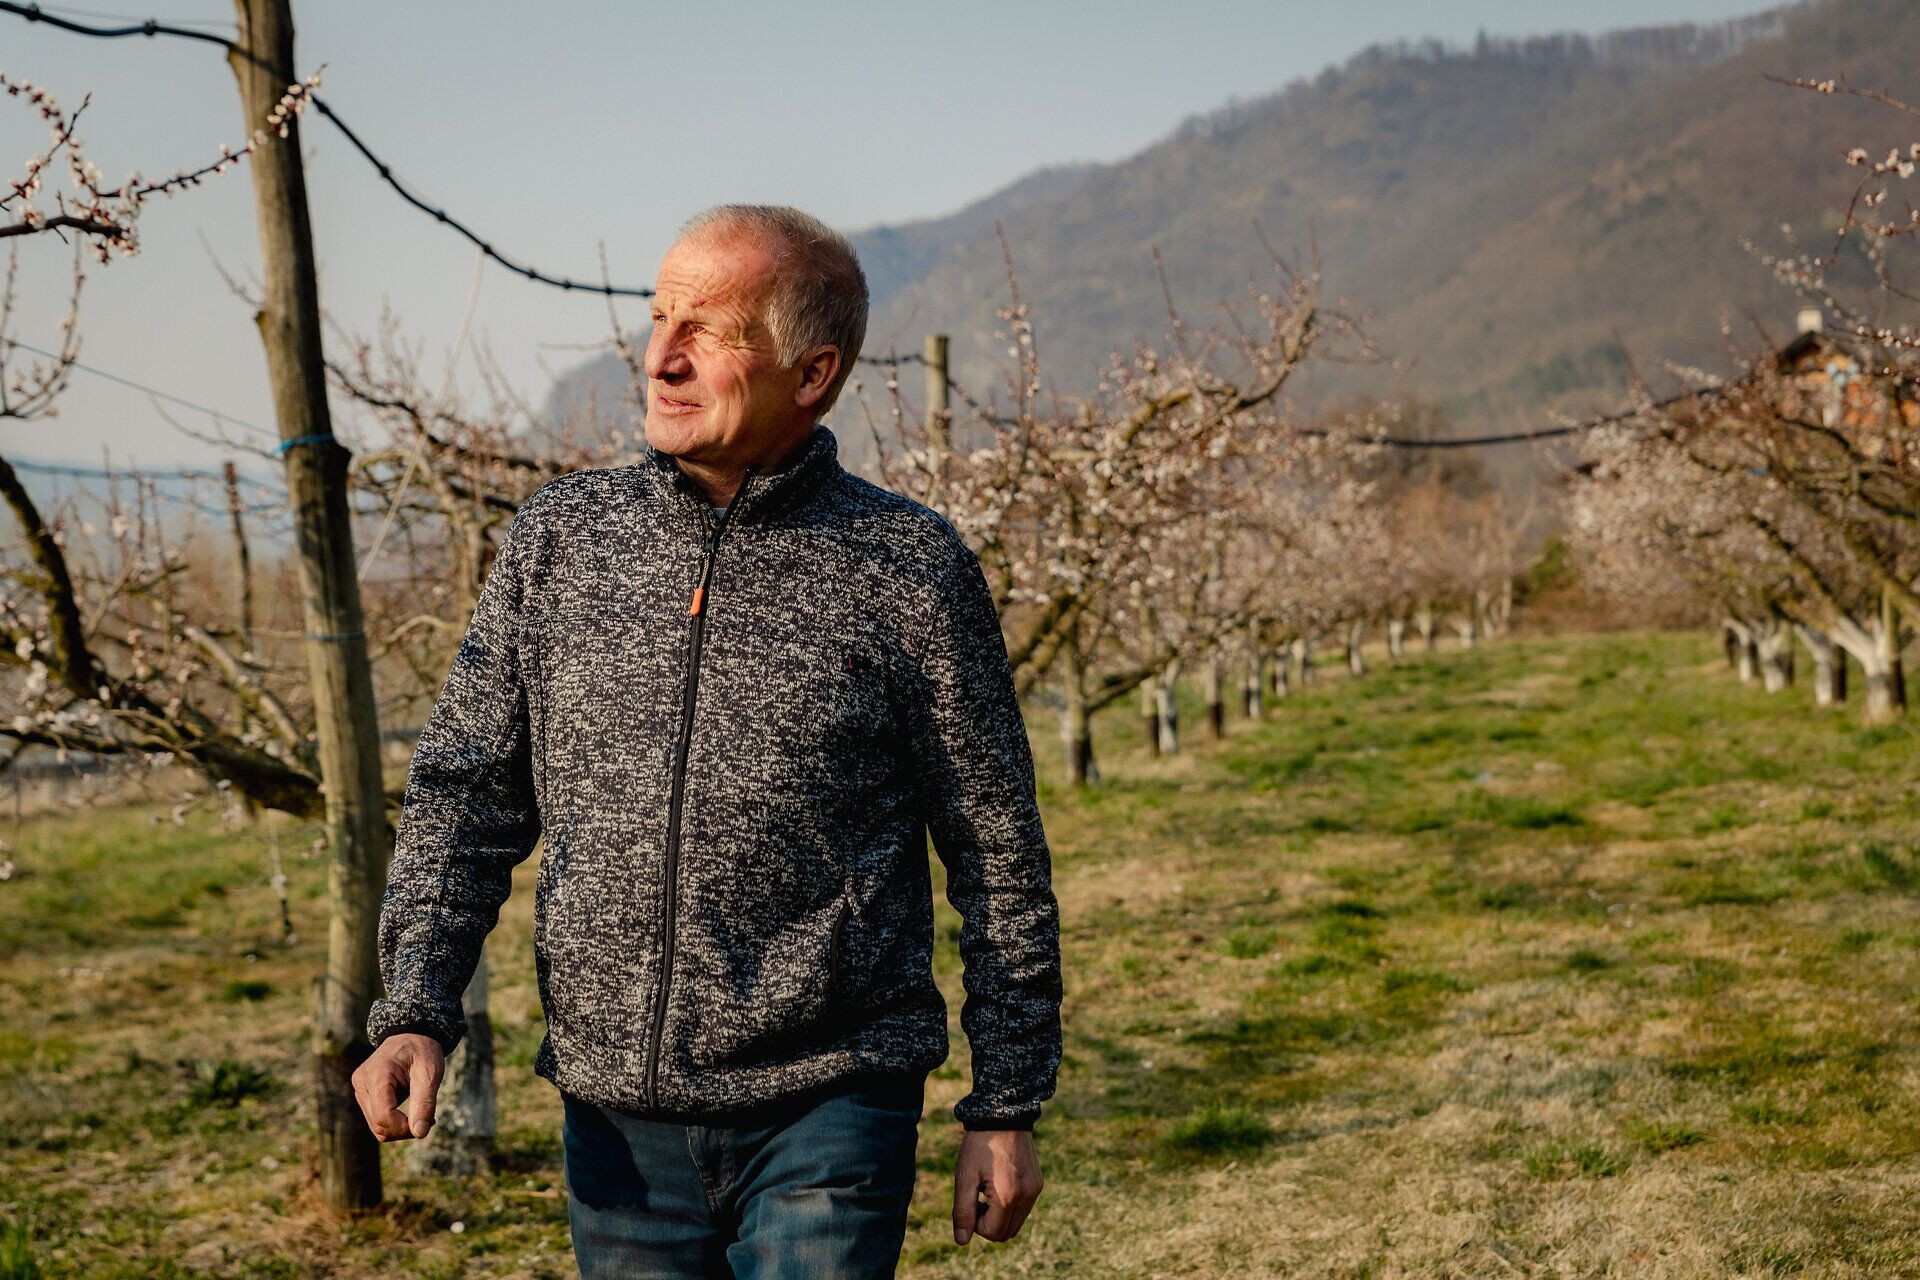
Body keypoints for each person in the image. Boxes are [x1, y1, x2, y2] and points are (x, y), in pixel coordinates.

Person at [351, 203, 1064, 1277]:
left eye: (711, 330)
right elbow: (465, 794)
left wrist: (1004, 1100)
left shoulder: (909, 569)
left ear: (811, 372)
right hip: (614, 1122)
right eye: (658, 317)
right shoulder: (560, 541)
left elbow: (997, 848)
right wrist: (414, 1004)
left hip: (833, 1098)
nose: (662, 356)